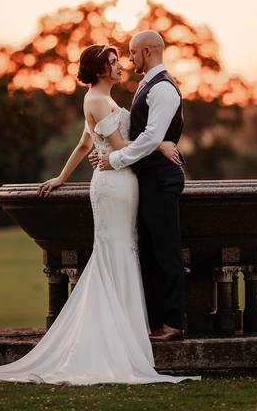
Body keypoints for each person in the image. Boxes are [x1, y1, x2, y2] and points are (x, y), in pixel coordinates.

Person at [0, 43, 199, 385]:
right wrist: (160, 143)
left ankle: (124, 326)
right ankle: (117, 334)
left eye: (121, 59)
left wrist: (62, 177)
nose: (121, 64)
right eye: (113, 61)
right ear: (99, 69)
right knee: (117, 250)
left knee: (124, 249)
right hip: (114, 184)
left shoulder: (100, 98)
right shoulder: (95, 99)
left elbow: (84, 144)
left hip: (120, 181)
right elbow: (122, 148)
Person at [90, 30, 188, 342]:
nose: (129, 59)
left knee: (166, 249)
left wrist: (116, 159)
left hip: (161, 179)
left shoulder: (163, 90)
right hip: (148, 178)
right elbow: (149, 136)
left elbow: (150, 136)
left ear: (146, 51)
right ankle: (157, 320)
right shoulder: (148, 85)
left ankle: (173, 323)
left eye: (132, 53)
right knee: (151, 249)